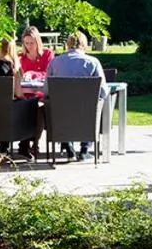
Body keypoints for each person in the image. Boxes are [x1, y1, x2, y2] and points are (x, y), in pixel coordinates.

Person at [45, 31, 107, 160]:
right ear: (84, 45)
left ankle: (67, 146)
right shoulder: (93, 62)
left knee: (59, 108)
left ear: (67, 45)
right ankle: (85, 149)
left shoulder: (54, 62)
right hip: (86, 114)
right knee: (94, 106)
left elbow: (46, 90)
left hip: (62, 114)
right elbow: (103, 91)